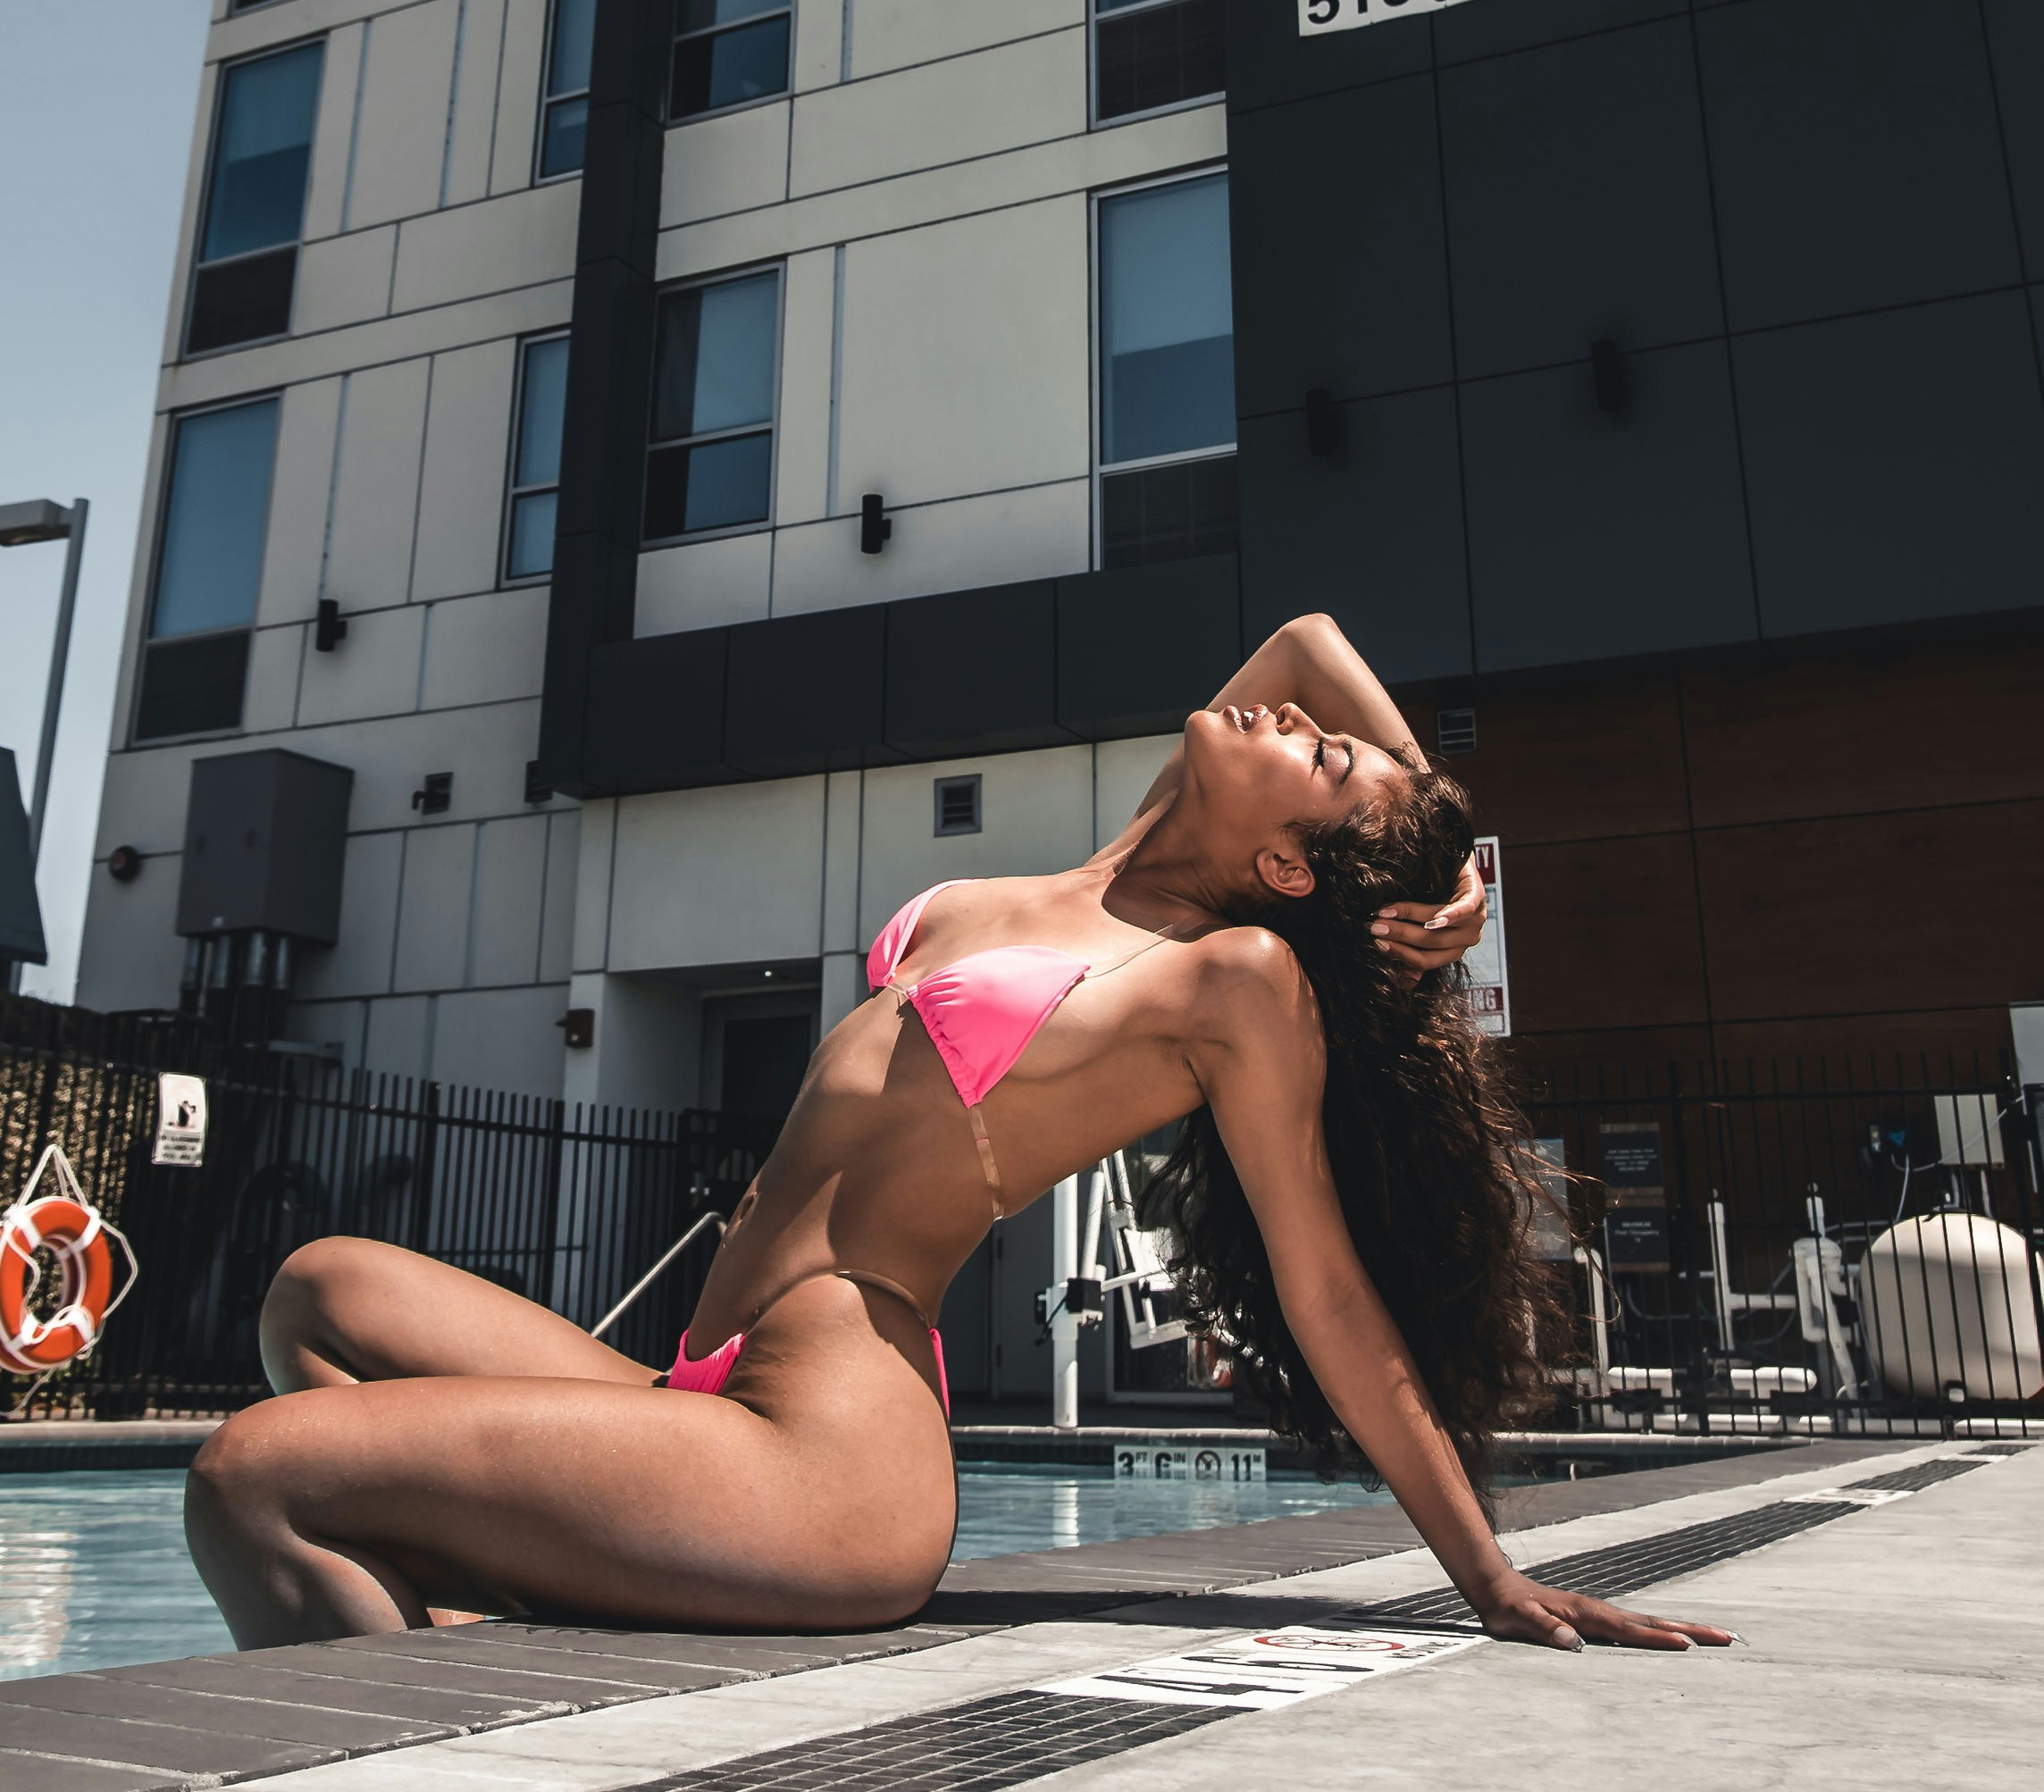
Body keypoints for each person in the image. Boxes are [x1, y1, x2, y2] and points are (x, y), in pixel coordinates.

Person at [185, 611, 1729, 1656]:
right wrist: (1451, 847)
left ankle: (402, 1760)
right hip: (700, 1380)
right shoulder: (1120, 864)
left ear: (1284, 867)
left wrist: (1488, 1574)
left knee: (253, 1477)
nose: (1294, 714)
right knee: (320, 1289)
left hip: (828, 1448)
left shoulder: (1231, 978)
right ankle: (479, 1603)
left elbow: (1323, 1290)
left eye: (1319, 758)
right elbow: (1310, 637)